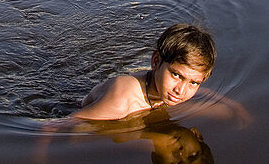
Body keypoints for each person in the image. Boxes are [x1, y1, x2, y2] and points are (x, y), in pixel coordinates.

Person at [75, 22, 218, 122]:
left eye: (194, 82)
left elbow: (206, 94)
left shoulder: (174, 90)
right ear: (156, 61)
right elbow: (65, 125)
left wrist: (237, 110)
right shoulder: (122, 102)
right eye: (176, 75)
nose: (180, 91)